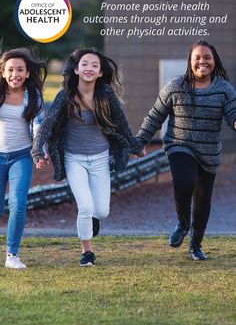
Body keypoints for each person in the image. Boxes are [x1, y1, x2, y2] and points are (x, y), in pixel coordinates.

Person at [31, 48, 142, 267]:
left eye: (94, 65)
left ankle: (92, 219)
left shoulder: (106, 94)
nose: (89, 68)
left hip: (100, 158)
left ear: (100, 72)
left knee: (101, 210)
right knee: (85, 206)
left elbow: (121, 122)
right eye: (85, 64)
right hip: (74, 159)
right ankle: (87, 252)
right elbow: (48, 124)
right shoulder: (66, 95)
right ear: (76, 69)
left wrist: (135, 145)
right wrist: (37, 150)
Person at [136, 40, 236, 260]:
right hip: (179, 144)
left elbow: (233, 115)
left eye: (207, 57)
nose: (203, 61)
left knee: (203, 199)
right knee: (184, 182)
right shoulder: (176, 86)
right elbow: (155, 115)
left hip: (209, 151)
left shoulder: (223, 89)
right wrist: (141, 140)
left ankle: (196, 245)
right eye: (197, 58)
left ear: (214, 61)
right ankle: (182, 223)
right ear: (190, 62)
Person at [0, 48, 47, 269]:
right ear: (3, 72)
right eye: (10, 70)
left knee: (18, 204)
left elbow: (39, 127)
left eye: (20, 69)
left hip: (22, 156)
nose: (15, 74)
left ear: (28, 73)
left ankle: (12, 255)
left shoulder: (33, 96)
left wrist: (38, 152)